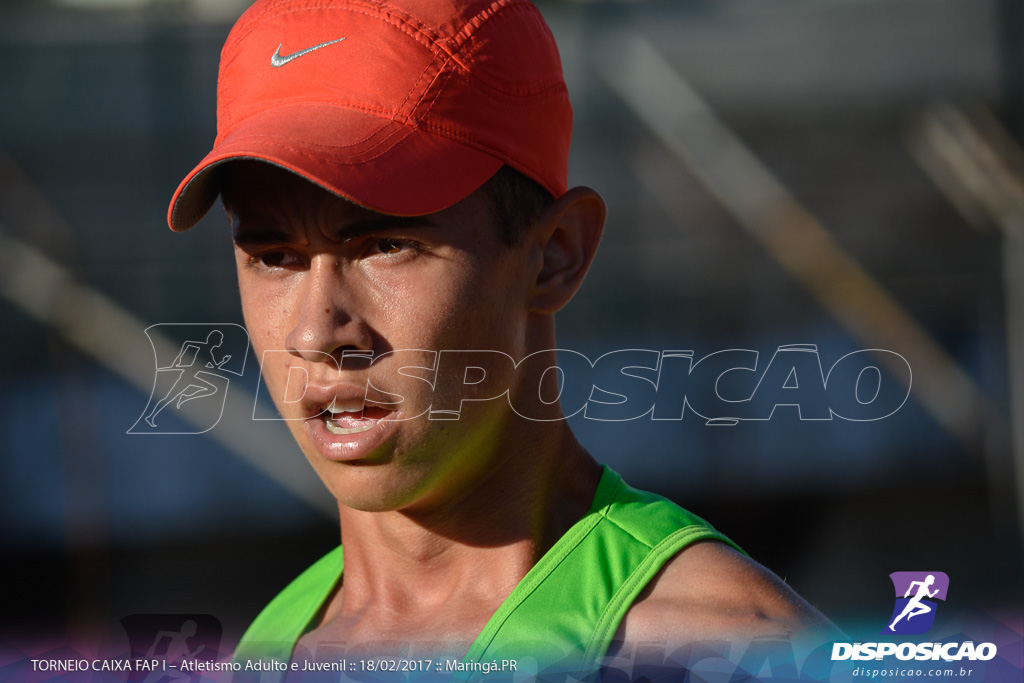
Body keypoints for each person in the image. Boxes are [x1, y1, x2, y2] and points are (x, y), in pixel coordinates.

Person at [166, 0, 837, 676]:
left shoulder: (724, 651)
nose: (316, 331)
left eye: (386, 244)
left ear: (555, 254)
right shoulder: (267, 651)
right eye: (273, 255)